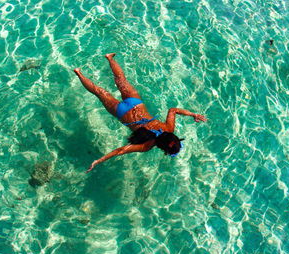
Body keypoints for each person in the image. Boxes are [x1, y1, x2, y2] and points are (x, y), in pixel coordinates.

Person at [74, 53, 207, 173]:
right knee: (99, 91)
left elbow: (173, 110)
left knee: (121, 79)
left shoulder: (169, 128)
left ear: (174, 137)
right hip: (123, 113)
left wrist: (192, 114)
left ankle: (109, 57)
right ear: (162, 149)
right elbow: (121, 150)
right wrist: (99, 160)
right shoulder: (146, 145)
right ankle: (79, 73)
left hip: (135, 103)